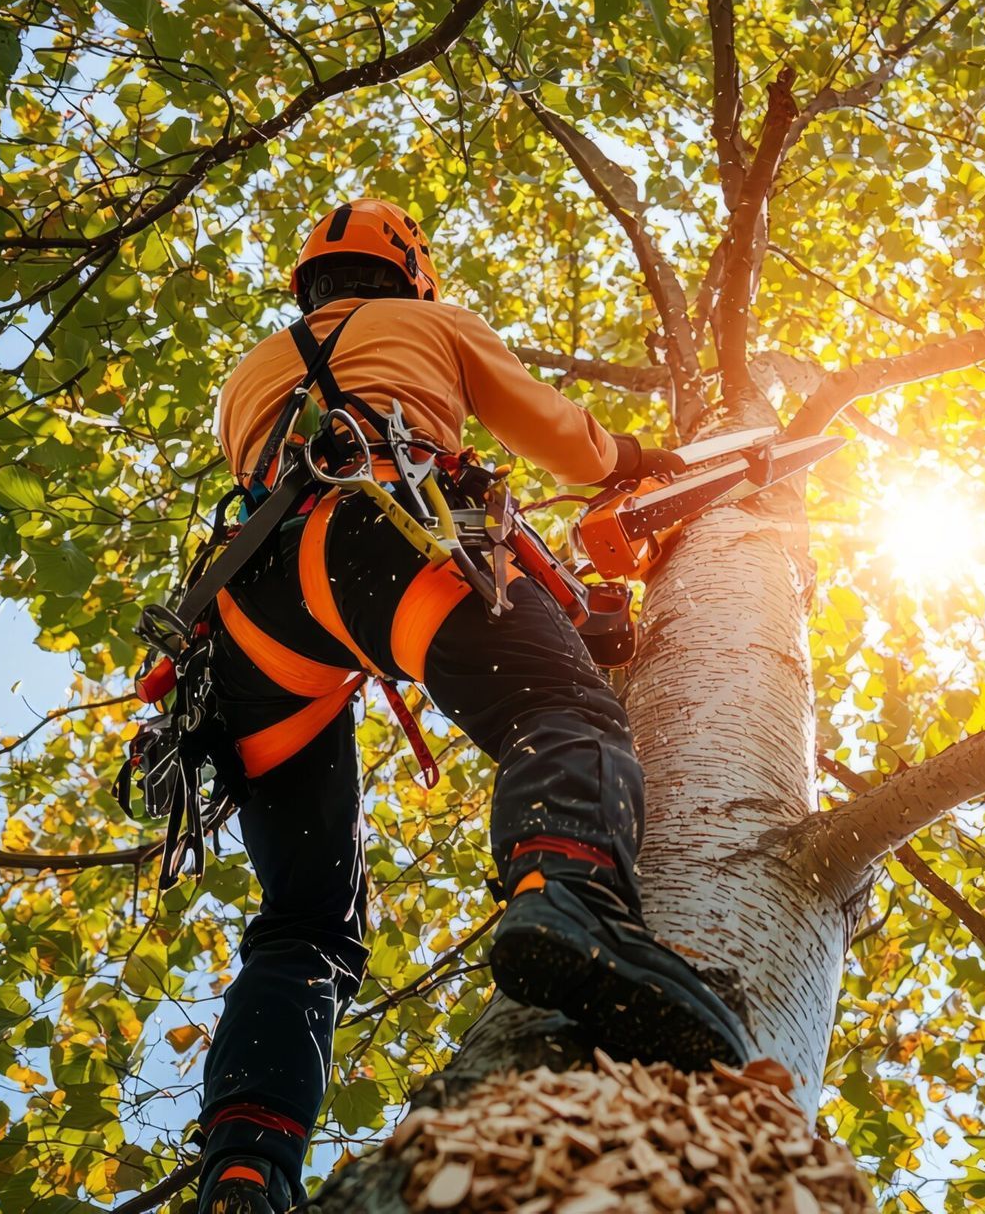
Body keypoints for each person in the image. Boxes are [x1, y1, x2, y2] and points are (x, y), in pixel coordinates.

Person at [189, 199, 751, 1213]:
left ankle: (244, 1160)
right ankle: (570, 901)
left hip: (248, 615)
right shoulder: (431, 325)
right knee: (560, 710)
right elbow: (554, 434)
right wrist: (629, 461)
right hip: (383, 534)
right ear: (413, 274)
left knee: (303, 923)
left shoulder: (252, 372)